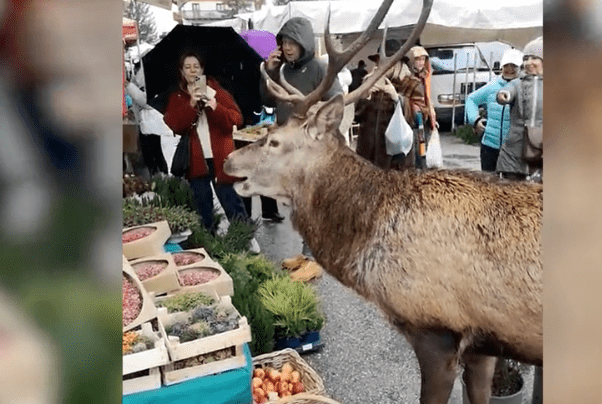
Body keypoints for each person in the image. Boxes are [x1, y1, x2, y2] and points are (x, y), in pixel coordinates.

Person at [262, 16, 344, 282]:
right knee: (298, 205)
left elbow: (337, 103)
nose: (287, 48)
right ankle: (306, 253)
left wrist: (314, 118)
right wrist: (271, 71)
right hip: (290, 149)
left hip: (314, 149)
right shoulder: (283, 69)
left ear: (304, 43)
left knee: (312, 205)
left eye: (292, 42)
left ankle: (315, 259)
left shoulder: (320, 68)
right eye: (284, 42)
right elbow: (266, 100)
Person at [163, 52, 249, 235]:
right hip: (196, 162)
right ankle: (208, 244)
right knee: (202, 208)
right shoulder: (177, 97)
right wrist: (191, 105)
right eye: (188, 67)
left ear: (202, 69)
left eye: (196, 66)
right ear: (182, 71)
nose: (192, 71)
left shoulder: (216, 90)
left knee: (232, 202)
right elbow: (175, 125)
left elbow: (236, 119)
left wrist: (214, 106)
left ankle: (245, 241)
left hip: (222, 160)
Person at [353, 43, 425, 169]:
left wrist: (397, 99)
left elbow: (420, 117)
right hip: (367, 157)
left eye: (388, 63)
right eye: (380, 63)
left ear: (398, 62)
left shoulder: (412, 83)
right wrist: (365, 96)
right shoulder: (368, 81)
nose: (383, 67)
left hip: (396, 159)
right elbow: (357, 116)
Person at [464, 48, 524, 173]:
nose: (509, 69)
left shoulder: (523, 87)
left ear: (520, 68)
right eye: (506, 65)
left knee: (510, 186)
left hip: (513, 149)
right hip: (489, 145)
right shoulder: (492, 86)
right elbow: (471, 99)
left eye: (514, 66)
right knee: (488, 184)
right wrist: (475, 120)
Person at [496, 37, 543, 181]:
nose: (529, 63)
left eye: (534, 58)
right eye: (526, 58)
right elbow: (507, 91)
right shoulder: (518, 83)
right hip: (515, 148)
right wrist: (503, 95)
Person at [126, 63, 170, 175]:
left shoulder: (154, 82)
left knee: (157, 155)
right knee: (150, 156)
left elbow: (145, 101)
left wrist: (130, 86)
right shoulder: (140, 83)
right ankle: (157, 178)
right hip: (146, 125)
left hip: (153, 125)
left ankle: (163, 178)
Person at [406, 46, 437, 169]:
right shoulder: (407, 76)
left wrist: (432, 114)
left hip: (424, 117)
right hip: (412, 119)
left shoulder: (425, 76)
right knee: (414, 151)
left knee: (423, 149)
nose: (420, 62)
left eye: (423, 59)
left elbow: (427, 97)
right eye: (417, 59)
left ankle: (422, 171)